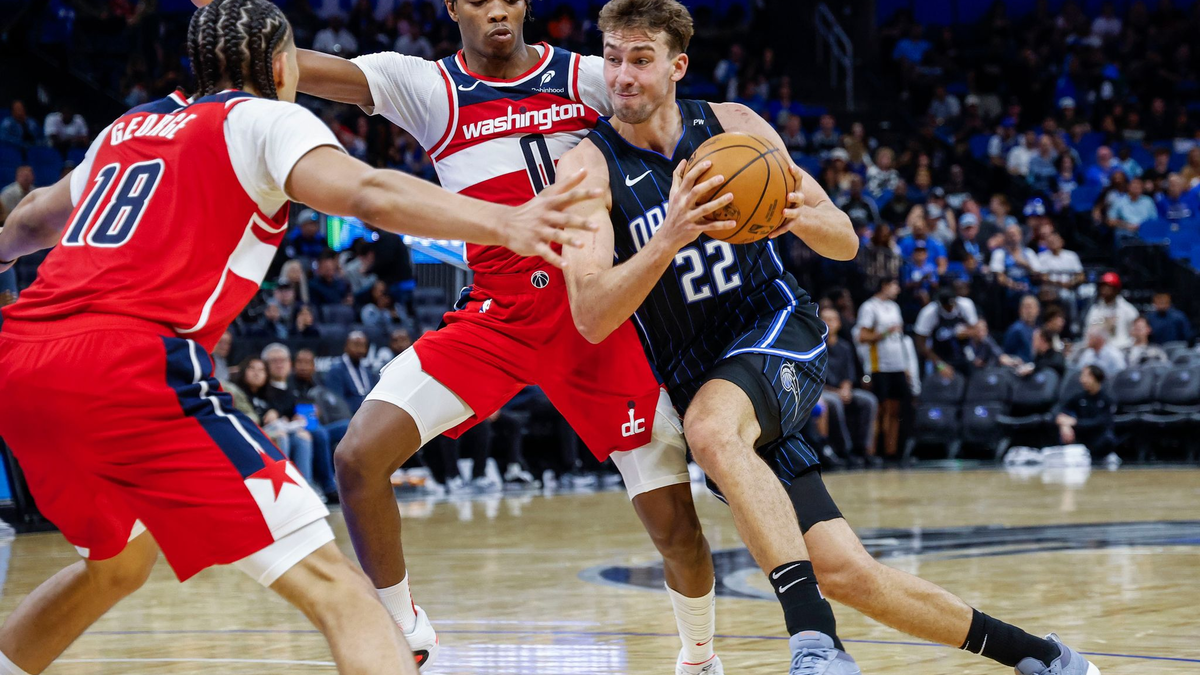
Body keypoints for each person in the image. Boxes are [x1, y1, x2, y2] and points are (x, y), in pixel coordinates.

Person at [0, 0, 597, 671]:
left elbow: (29, 220)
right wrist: (506, 224)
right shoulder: (268, 117)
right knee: (346, 595)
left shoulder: (132, 125)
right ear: (283, 65)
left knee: (116, 565)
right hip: (130, 365)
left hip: (21, 365)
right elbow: (369, 191)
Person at [556, 3, 1097, 675]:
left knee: (709, 430)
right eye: (612, 58)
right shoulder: (587, 169)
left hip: (777, 327)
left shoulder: (735, 128)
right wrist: (671, 233)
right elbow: (591, 313)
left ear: (676, 65)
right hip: (701, 372)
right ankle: (1043, 656)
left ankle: (815, 641)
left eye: (640, 59)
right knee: (846, 570)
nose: (622, 76)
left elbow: (843, 238)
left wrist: (789, 214)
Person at [294, 1, 722, 671]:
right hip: (499, 316)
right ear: (454, 7)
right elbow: (291, 67)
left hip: (594, 317)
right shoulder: (427, 86)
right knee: (356, 457)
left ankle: (700, 660)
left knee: (677, 528)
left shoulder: (587, 76)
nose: (499, 4)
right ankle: (401, 628)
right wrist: (233, 15)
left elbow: (678, 116)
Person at [855, 279, 908, 465]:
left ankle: (891, 451)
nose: (898, 289)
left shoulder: (894, 307)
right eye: (895, 285)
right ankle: (872, 451)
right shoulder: (869, 307)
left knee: (895, 410)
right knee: (879, 411)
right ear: (884, 285)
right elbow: (862, 336)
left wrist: (906, 365)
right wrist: (885, 333)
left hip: (897, 364)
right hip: (879, 366)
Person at [818, 307, 878, 464]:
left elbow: (848, 375)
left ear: (838, 323)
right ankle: (844, 450)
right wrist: (838, 392)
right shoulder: (814, 347)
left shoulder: (845, 347)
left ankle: (864, 449)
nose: (828, 323)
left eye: (832, 319)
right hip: (822, 392)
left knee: (868, 400)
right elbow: (815, 380)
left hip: (842, 390)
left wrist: (845, 389)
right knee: (834, 402)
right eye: (824, 319)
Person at [1054, 365, 1117, 455]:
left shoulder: (1107, 399)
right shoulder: (1079, 397)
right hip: (1081, 435)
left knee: (1107, 440)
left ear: (1096, 378)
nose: (1082, 380)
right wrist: (1064, 426)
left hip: (1099, 436)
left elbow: (1100, 423)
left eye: (1087, 376)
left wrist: (1075, 422)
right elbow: (1060, 410)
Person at [914, 288, 978, 376]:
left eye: (952, 305)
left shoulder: (965, 305)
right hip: (939, 356)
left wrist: (967, 332)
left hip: (963, 354)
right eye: (947, 306)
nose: (950, 309)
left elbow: (978, 329)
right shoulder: (929, 312)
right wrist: (940, 365)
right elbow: (920, 344)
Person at [325, 331, 379, 414]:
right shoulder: (336, 371)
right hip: (348, 417)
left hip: (369, 416)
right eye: (356, 345)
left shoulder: (368, 372)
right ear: (346, 347)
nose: (359, 349)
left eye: (363, 345)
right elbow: (337, 402)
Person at [1084, 273, 1139, 350]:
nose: (1104, 290)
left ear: (1116, 289)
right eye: (1103, 286)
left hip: (1123, 349)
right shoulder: (1095, 309)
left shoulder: (1127, 309)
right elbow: (1088, 332)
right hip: (1100, 350)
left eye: (1108, 287)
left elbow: (1136, 333)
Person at [1003, 295, 1041, 363]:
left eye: (1031, 307)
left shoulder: (1039, 329)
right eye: (1026, 307)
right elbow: (1006, 354)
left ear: (1038, 310)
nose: (1029, 311)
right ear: (1020, 310)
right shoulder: (1015, 329)